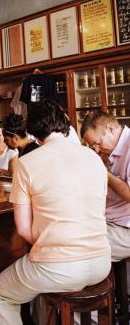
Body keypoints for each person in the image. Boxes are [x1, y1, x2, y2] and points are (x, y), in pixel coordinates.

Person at [0, 100, 111, 325]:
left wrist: (52, 243)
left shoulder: (26, 164)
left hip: (57, 268)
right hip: (102, 262)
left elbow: (24, 229)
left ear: (34, 132)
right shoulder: (94, 158)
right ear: (65, 124)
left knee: (0, 293)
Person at [81, 111, 130, 262]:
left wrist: (105, 174)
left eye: (97, 143)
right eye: (92, 146)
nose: (96, 149)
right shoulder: (110, 150)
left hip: (125, 228)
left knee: (77, 248)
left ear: (110, 129)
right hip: (109, 220)